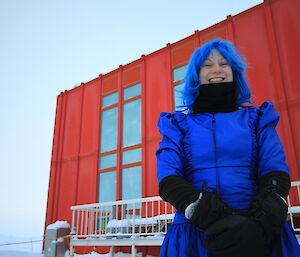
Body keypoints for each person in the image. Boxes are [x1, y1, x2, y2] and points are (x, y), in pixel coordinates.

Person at [156, 39, 300, 257]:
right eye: (207, 65)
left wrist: (258, 226)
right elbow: (168, 177)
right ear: (196, 75)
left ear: (234, 72)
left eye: (224, 64)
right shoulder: (178, 125)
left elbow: (275, 169)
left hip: (259, 232)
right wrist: (208, 213)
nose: (217, 69)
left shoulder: (258, 120)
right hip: (195, 236)